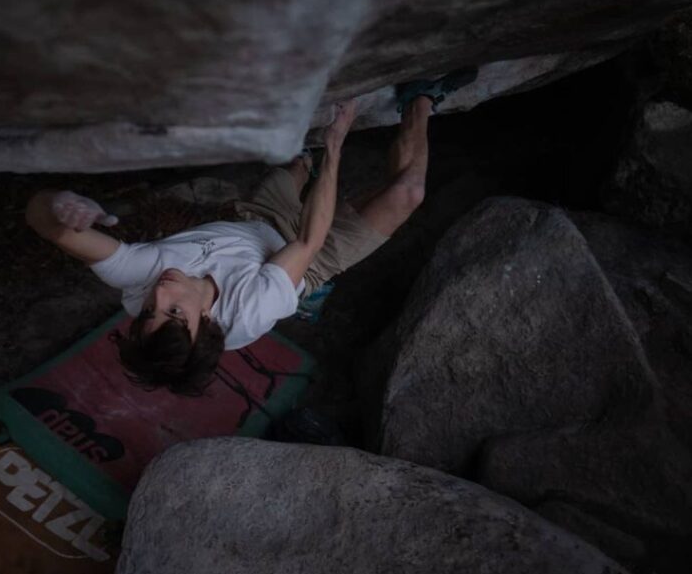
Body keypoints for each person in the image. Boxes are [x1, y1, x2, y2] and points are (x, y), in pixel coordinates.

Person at [26, 92, 439, 395]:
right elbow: (309, 240)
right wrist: (336, 144)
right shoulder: (250, 310)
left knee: (297, 165)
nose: (161, 290)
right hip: (306, 258)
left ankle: (305, 166)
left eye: (149, 309)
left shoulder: (140, 283)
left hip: (254, 221)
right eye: (173, 311)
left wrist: (62, 207)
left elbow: (47, 226)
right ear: (207, 319)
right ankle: (421, 98)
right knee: (407, 194)